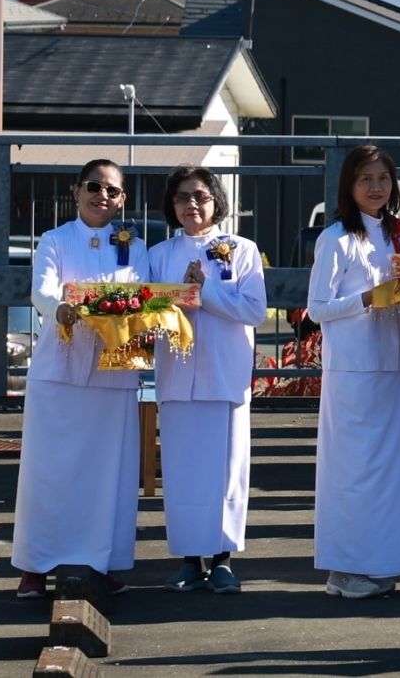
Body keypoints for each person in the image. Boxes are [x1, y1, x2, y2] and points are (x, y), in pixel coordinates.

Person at [13, 162, 159, 599]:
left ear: (123, 199)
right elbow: (42, 290)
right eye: (94, 187)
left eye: (112, 191)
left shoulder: (137, 247)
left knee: (106, 476)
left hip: (114, 371)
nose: (102, 196)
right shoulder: (55, 239)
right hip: (59, 370)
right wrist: (59, 308)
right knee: (48, 472)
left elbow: (145, 298)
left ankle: (101, 563)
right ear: (77, 190)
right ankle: (35, 567)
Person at [308, 145, 400, 600]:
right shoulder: (336, 238)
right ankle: (342, 570)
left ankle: (382, 563)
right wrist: (368, 298)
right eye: (365, 178)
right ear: (349, 184)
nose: (375, 187)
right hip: (352, 369)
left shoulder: (396, 236)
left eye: (383, 178)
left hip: (392, 365)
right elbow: (317, 309)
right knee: (352, 471)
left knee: (391, 471)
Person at [146, 165, 267, 593]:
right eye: (182, 197)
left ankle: (223, 560)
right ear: (171, 205)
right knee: (181, 471)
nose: (192, 204)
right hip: (177, 375)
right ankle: (189, 559)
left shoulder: (242, 249)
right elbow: (148, 313)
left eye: (200, 196)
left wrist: (205, 292)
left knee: (227, 469)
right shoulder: (158, 255)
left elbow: (253, 310)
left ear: (216, 200)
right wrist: (176, 299)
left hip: (225, 373)